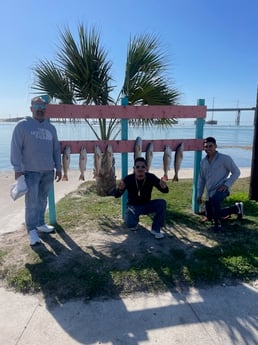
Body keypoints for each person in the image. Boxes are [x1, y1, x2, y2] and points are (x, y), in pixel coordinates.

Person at [10, 95, 62, 246]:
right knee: (31, 202)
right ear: (31, 108)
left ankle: (40, 223)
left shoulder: (51, 128)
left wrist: (58, 168)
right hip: (30, 172)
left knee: (42, 199)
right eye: (37, 107)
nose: (40, 110)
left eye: (43, 108)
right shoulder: (22, 126)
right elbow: (15, 148)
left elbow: (56, 149)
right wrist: (17, 169)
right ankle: (32, 230)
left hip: (48, 171)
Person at [197, 136, 243, 232]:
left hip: (222, 189)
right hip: (209, 192)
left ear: (215, 146)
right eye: (206, 147)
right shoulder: (203, 162)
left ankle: (217, 224)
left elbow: (236, 172)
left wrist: (227, 184)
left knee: (215, 200)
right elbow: (201, 179)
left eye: (210, 146)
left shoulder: (225, 159)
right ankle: (236, 208)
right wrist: (199, 194)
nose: (208, 149)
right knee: (210, 216)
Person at [115, 157, 169, 239]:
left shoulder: (151, 177)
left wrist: (164, 187)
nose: (140, 169)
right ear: (134, 168)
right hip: (133, 206)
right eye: (138, 167)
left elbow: (165, 191)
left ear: (146, 168)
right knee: (131, 225)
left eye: (143, 167)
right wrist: (120, 189)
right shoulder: (129, 179)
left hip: (147, 204)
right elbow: (117, 195)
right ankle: (134, 222)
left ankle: (155, 229)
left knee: (162, 203)